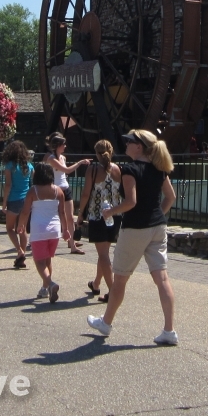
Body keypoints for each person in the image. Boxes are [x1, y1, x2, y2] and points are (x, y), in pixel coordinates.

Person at [87, 129, 178, 346]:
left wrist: (110, 212)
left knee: (120, 278)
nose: (125, 143)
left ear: (139, 146)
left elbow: (131, 202)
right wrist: (156, 215)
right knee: (162, 279)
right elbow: (170, 197)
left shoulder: (130, 169)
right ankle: (169, 330)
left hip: (135, 228)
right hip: (158, 227)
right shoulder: (159, 168)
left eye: (129, 141)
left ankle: (106, 323)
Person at [76, 139, 122, 303]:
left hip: (98, 215)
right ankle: (96, 284)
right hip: (115, 216)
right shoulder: (118, 169)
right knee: (105, 253)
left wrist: (80, 213)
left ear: (97, 153)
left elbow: (86, 194)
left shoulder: (93, 169)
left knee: (103, 254)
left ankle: (113, 291)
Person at [17, 163, 71, 303]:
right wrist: (65, 230)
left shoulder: (33, 191)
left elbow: (25, 211)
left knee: (38, 261)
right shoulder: (58, 191)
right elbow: (62, 212)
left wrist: (21, 224)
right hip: (54, 230)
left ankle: (50, 284)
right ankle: (45, 288)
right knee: (47, 260)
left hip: (39, 229)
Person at [44, 133, 87, 254]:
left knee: (70, 217)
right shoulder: (51, 159)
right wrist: (79, 163)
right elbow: (67, 170)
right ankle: (46, 241)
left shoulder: (63, 158)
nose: (65, 146)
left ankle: (72, 245)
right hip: (56, 191)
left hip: (66, 188)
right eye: (63, 144)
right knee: (54, 217)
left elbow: (64, 173)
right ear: (57, 146)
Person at [1, 140, 32, 269]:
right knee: (22, 229)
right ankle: (21, 257)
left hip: (14, 199)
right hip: (26, 200)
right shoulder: (29, 166)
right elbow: (31, 184)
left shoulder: (10, 166)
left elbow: (8, 185)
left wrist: (4, 203)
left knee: (10, 228)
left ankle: (20, 251)